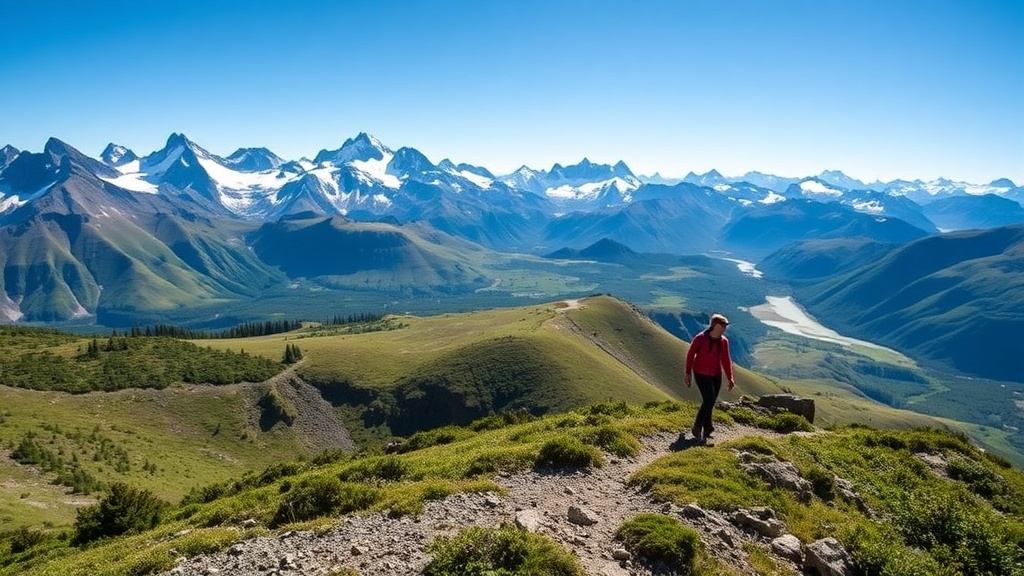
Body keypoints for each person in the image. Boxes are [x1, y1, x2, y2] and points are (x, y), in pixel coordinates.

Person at [684, 313, 735, 442]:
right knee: (709, 400)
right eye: (722, 325)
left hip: (716, 375)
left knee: (710, 401)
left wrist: (730, 378)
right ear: (714, 325)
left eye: (725, 325)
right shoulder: (700, 338)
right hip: (701, 374)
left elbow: (726, 360)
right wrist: (688, 373)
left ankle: (707, 429)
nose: (724, 328)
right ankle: (697, 426)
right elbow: (690, 355)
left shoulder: (723, 341)